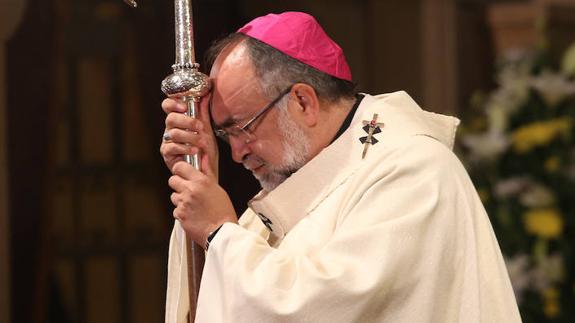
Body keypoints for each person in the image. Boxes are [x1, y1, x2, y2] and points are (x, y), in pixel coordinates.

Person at [160, 11, 521, 323]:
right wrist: (201, 179)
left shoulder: (411, 174)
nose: (237, 153)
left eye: (244, 127)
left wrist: (220, 232)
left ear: (303, 101)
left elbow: (313, 309)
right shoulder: (300, 187)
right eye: (226, 135)